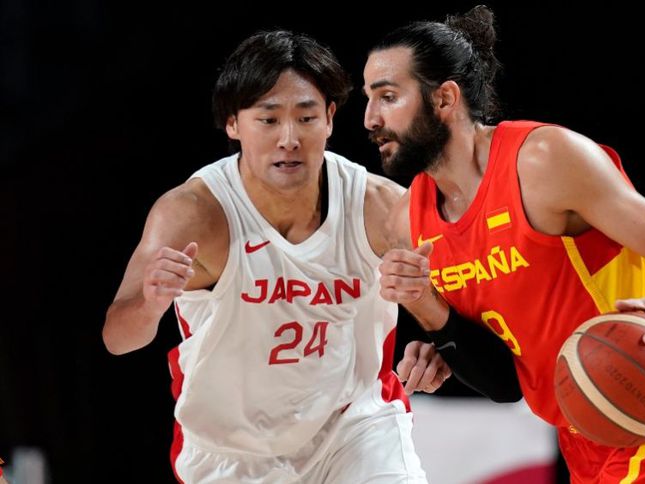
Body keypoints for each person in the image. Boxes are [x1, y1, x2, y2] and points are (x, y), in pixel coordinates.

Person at [364, 6, 645, 483]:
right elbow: (505, 384)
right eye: (368, 99)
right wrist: (437, 325)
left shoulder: (543, 162)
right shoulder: (408, 223)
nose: (370, 118)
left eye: (388, 97)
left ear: (444, 98)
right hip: (585, 432)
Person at [102, 29, 442, 483]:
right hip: (232, 449)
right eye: (268, 120)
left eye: (306, 117)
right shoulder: (194, 214)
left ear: (330, 119)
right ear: (233, 124)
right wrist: (150, 304)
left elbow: (458, 308)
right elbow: (118, 338)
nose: (289, 138)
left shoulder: (379, 207)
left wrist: (439, 348)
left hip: (354, 428)